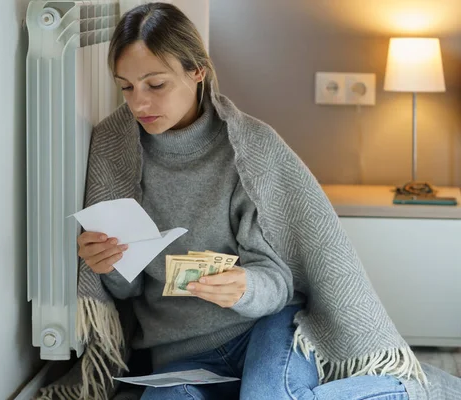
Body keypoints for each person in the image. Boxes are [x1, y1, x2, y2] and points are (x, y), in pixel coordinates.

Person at [75, 3, 461, 400]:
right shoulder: (112, 146)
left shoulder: (250, 149)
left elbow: (280, 280)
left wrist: (245, 289)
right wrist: (107, 264)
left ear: (197, 71)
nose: (139, 104)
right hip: (181, 355)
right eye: (126, 86)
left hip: (264, 329)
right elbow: (124, 292)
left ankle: (405, 391)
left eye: (155, 85)